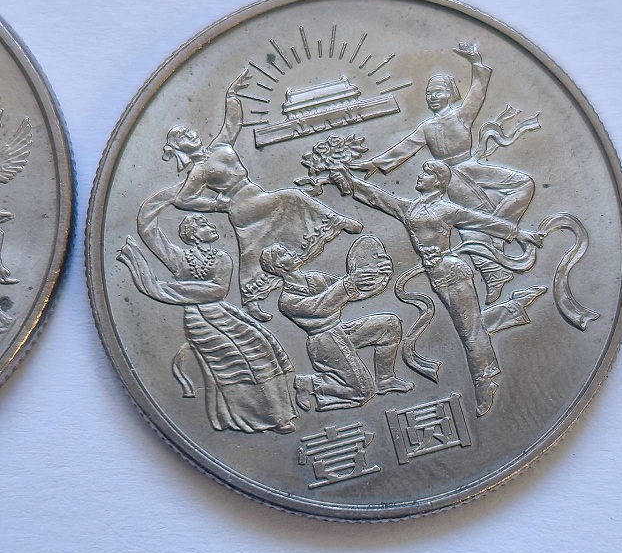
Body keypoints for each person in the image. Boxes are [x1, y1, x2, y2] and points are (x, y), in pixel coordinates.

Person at [328, 158, 543, 416]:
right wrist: (351, 181)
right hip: (437, 277)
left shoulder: (446, 210)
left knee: (469, 332)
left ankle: (484, 383)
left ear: (439, 182)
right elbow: (379, 198)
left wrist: (520, 233)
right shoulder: (411, 208)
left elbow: (482, 222)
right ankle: (514, 308)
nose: (419, 176)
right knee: (470, 326)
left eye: (426, 173)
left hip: (453, 273)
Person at [165, 70, 362, 321]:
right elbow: (182, 200)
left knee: (251, 251)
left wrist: (232, 96)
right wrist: (215, 204)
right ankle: (338, 220)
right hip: (242, 204)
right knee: (291, 196)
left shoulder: (219, 146)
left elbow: (233, 123)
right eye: (182, 137)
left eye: (187, 131)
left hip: (253, 198)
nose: (189, 135)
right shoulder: (199, 171)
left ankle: (251, 301)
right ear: (179, 147)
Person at [360, 43, 537, 303]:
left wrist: (476, 61)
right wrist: (376, 163)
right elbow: (405, 147)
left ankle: (495, 237)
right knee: (468, 223)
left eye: (438, 92)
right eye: (429, 93)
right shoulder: (426, 127)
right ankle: (493, 272)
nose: (432, 97)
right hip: (449, 177)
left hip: (470, 167)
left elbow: (478, 92)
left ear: (450, 94)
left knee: (524, 183)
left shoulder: (461, 116)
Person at [117, 187, 297, 434]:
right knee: (234, 360)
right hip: (199, 321)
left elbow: (218, 291)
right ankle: (253, 418)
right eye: (203, 224)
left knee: (262, 348)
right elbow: (148, 229)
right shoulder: (180, 259)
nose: (211, 226)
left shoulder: (223, 258)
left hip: (222, 314)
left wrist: (167, 288)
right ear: (193, 235)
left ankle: (279, 413)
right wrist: (174, 194)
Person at [260, 242, 413, 413]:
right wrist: (350, 282)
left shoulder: (315, 278)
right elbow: (319, 307)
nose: (292, 253)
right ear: (279, 266)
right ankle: (310, 383)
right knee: (363, 392)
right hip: (324, 343)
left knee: (389, 324)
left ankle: (385, 379)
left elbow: (354, 293)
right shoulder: (287, 300)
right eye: (284, 253)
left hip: (341, 331)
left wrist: (379, 276)